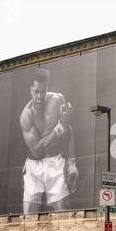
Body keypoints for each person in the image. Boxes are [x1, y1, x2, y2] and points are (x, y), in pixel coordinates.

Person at [20, 69, 79, 214]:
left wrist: (72, 164)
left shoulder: (58, 100)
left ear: (48, 88)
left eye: (43, 91)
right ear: (30, 90)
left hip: (55, 163)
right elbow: (37, 150)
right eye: (36, 91)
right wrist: (59, 127)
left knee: (63, 216)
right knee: (30, 219)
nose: (39, 96)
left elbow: (68, 130)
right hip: (34, 167)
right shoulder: (26, 115)